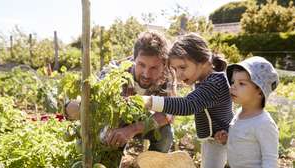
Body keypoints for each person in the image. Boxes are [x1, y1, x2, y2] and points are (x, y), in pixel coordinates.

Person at [66, 31, 174, 153]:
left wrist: (132, 129)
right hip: (116, 122)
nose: (146, 74)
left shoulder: (167, 76)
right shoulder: (115, 72)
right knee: (107, 140)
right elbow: (95, 105)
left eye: (154, 68)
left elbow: (167, 114)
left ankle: (152, 164)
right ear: (134, 59)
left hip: (144, 121)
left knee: (165, 135)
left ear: (164, 64)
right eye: (141, 65)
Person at [141, 33, 234, 168]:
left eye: (183, 67)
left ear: (202, 61)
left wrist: (149, 101)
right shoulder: (207, 81)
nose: (178, 75)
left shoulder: (215, 83)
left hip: (221, 141)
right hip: (216, 139)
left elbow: (187, 105)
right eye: (175, 69)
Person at [216, 56, 279, 167]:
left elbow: (270, 159)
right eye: (233, 82)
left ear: (260, 91)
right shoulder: (239, 113)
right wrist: (228, 139)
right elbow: (244, 142)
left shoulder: (263, 123)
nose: (233, 86)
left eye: (241, 83)